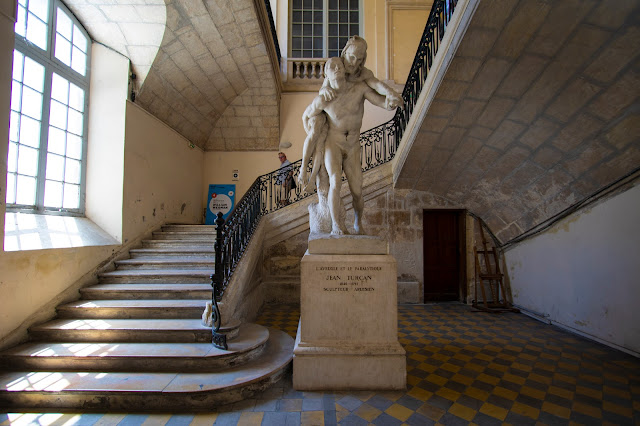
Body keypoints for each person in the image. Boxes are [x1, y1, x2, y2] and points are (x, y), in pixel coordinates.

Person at [301, 57, 395, 235]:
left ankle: (358, 222)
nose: (336, 68)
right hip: (333, 143)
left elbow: (380, 101)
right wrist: (315, 132)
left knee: (357, 191)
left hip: (352, 146)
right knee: (335, 180)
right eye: (331, 67)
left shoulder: (359, 89)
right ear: (326, 74)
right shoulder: (323, 99)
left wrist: (390, 103)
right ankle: (337, 226)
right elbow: (305, 117)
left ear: (344, 69)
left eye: (339, 65)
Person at [319, 36, 403, 111]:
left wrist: (390, 93)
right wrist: (324, 89)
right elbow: (325, 84)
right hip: (332, 121)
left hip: (352, 122)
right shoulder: (336, 66)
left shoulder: (363, 74)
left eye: (359, 59)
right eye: (352, 57)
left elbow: (376, 85)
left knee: (363, 87)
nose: (354, 63)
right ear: (344, 53)